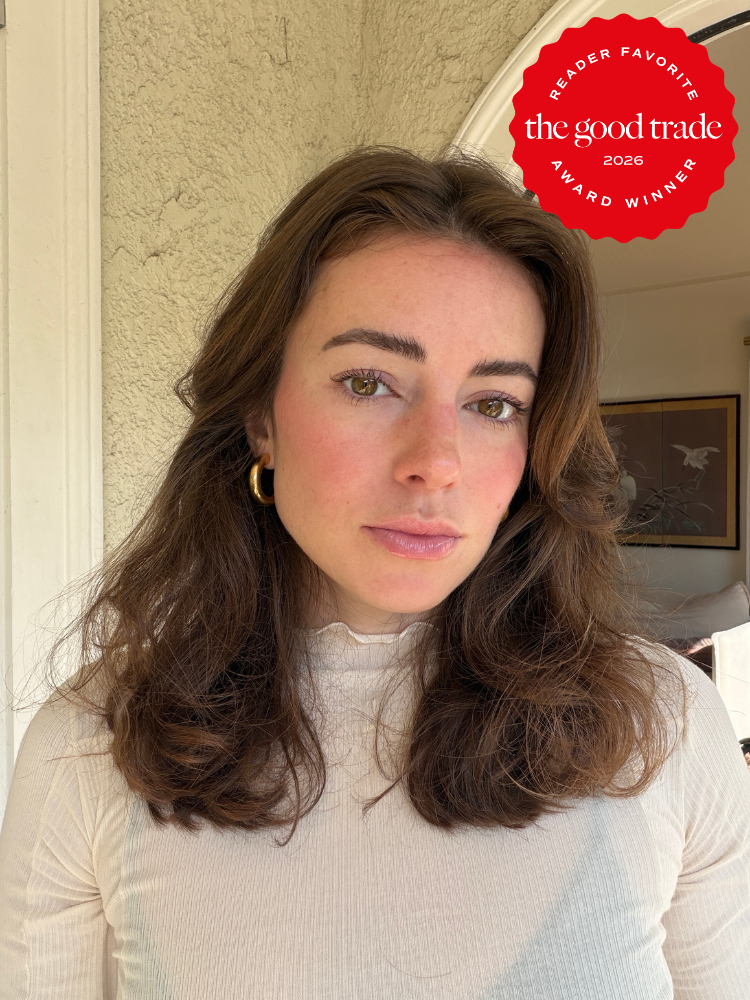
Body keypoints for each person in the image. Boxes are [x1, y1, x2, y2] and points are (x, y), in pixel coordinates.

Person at [0, 146, 748, 1000]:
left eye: (494, 403)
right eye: (368, 383)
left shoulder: (666, 727)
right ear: (260, 417)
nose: (436, 462)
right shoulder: (92, 747)